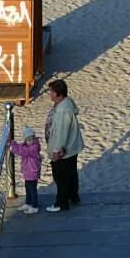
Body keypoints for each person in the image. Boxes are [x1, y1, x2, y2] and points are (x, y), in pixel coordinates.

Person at [44, 79, 83, 212]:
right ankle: (73, 197)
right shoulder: (65, 103)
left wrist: (57, 150)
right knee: (71, 173)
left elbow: (61, 132)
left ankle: (61, 203)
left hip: (65, 149)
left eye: (51, 92)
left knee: (61, 176)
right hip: (71, 147)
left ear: (58, 94)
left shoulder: (63, 110)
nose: (50, 94)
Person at [9, 127, 43, 214]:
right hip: (28, 172)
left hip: (32, 172)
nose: (30, 141)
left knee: (32, 190)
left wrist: (12, 147)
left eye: (32, 139)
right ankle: (28, 203)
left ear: (34, 139)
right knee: (27, 189)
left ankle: (35, 206)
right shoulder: (26, 145)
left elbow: (23, 151)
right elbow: (21, 147)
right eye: (28, 140)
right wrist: (13, 143)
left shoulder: (34, 148)